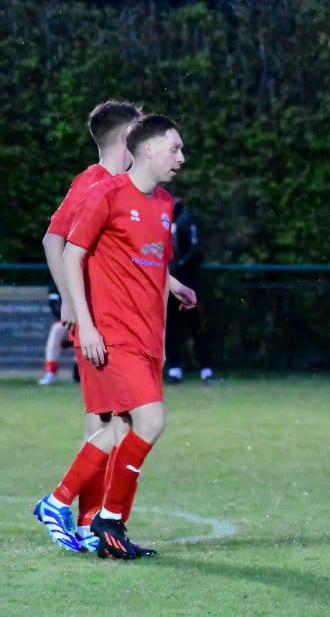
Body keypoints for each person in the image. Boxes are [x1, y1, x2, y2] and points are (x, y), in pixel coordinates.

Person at [62, 114, 188, 559]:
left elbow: (154, 266)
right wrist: (85, 322)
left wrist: (173, 293)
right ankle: (99, 517)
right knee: (147, 422)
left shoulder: (165, 203)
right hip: (114, 333)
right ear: (147, 149)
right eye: (175, 148)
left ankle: (106, 526)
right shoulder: (106, 193)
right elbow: (72, 255)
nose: (181, 157)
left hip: (148, 336)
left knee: (128, 428)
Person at [33, 100, 142, 552]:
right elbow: (52, 239)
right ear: (127, 137)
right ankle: (66, 508)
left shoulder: (121, 188)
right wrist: (70, 301)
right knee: (112, 423)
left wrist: (171, 283)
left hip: (115, 323)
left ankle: (86, 522)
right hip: (98, 325)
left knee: (109, 422)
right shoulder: (93, 181)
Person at [166, 197, 215, 384]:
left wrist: (179, 265)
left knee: (196, 326)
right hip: (169, 283)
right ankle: (174, 370)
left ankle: (206, 370)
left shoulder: (187, 220)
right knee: (171, 326)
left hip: (187, 282)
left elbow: (196, 251)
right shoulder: (163, 221)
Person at [38, 286, 77, 385]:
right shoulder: (56, 283)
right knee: (57, 329)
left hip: (89, 323)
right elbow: (56, 307)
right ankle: (50, 372)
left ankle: (80, 368)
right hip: (70, 322)